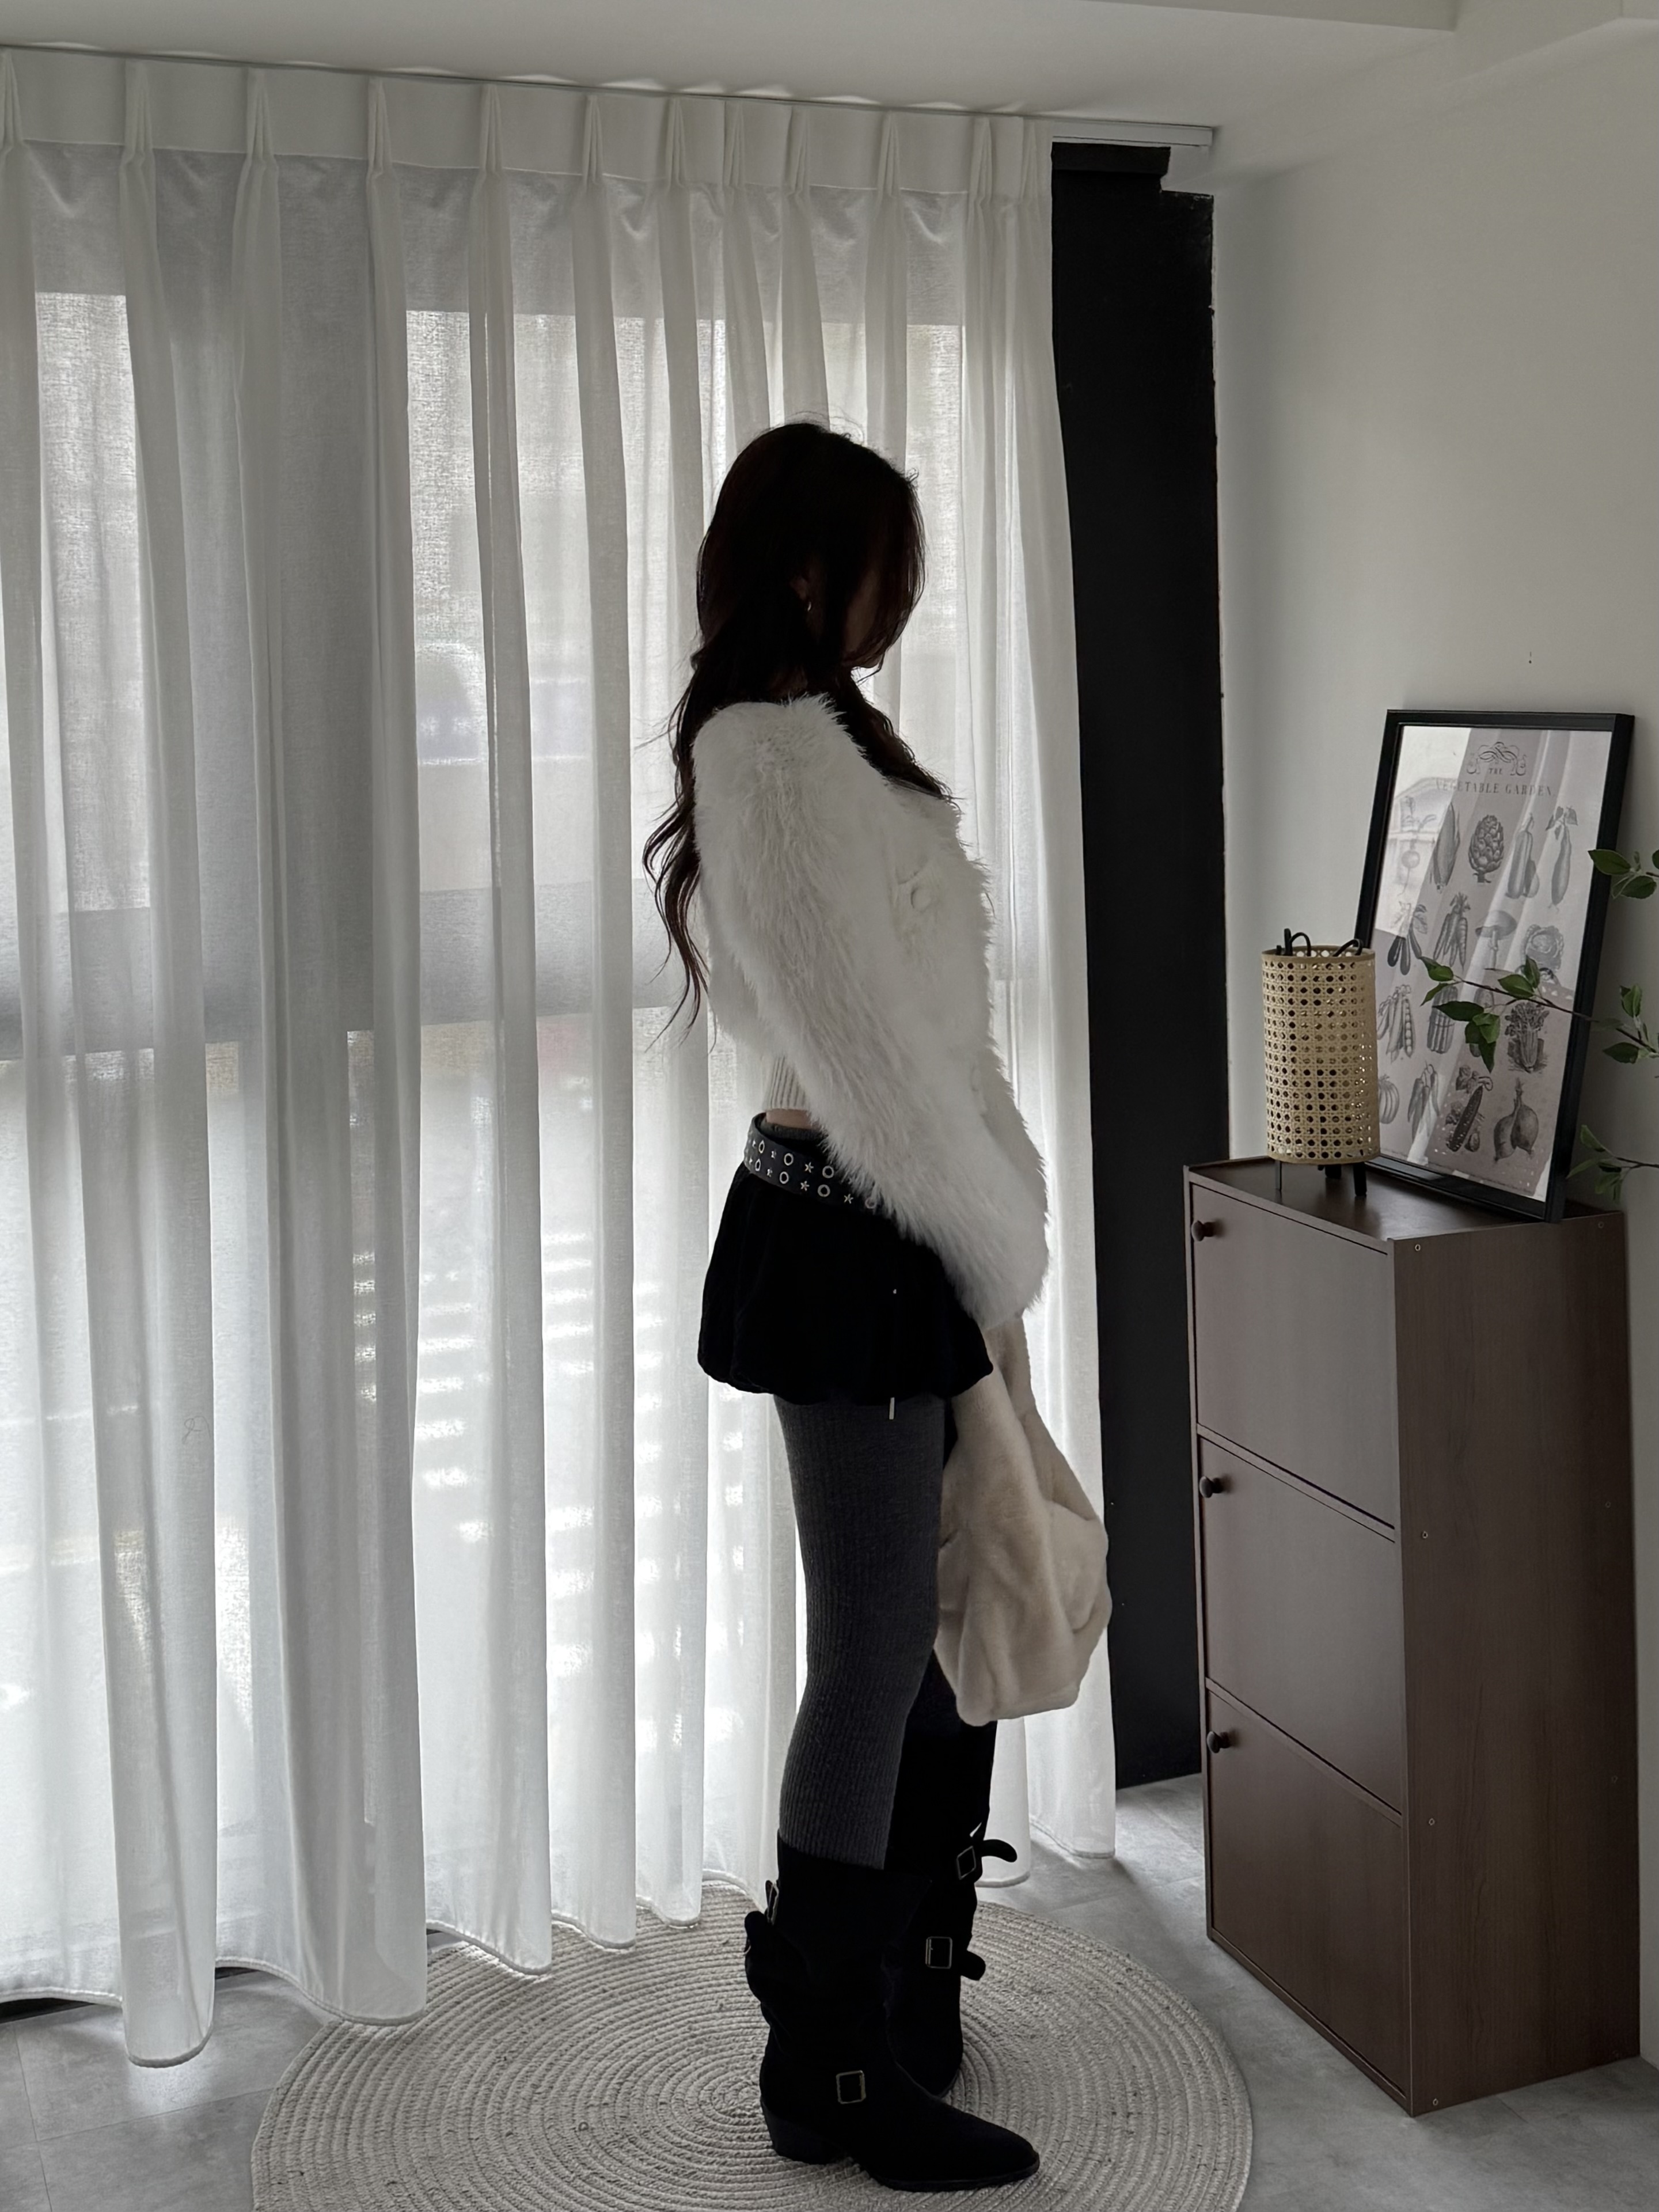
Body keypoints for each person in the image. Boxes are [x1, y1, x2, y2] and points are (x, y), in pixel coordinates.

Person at [643, 422, 1050, 2192]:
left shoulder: (821, 740)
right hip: (854, 1225)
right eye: (890, 562)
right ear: (810, 570)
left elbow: (933, 1028)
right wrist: (987, 1232)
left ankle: (873, 2005)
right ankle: (830, 2064)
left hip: (894, 1219)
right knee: (878, 1639)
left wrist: (994, 1208)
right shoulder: (768, 751)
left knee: (911, 1628)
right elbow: (862, 1048)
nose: (910, 595)